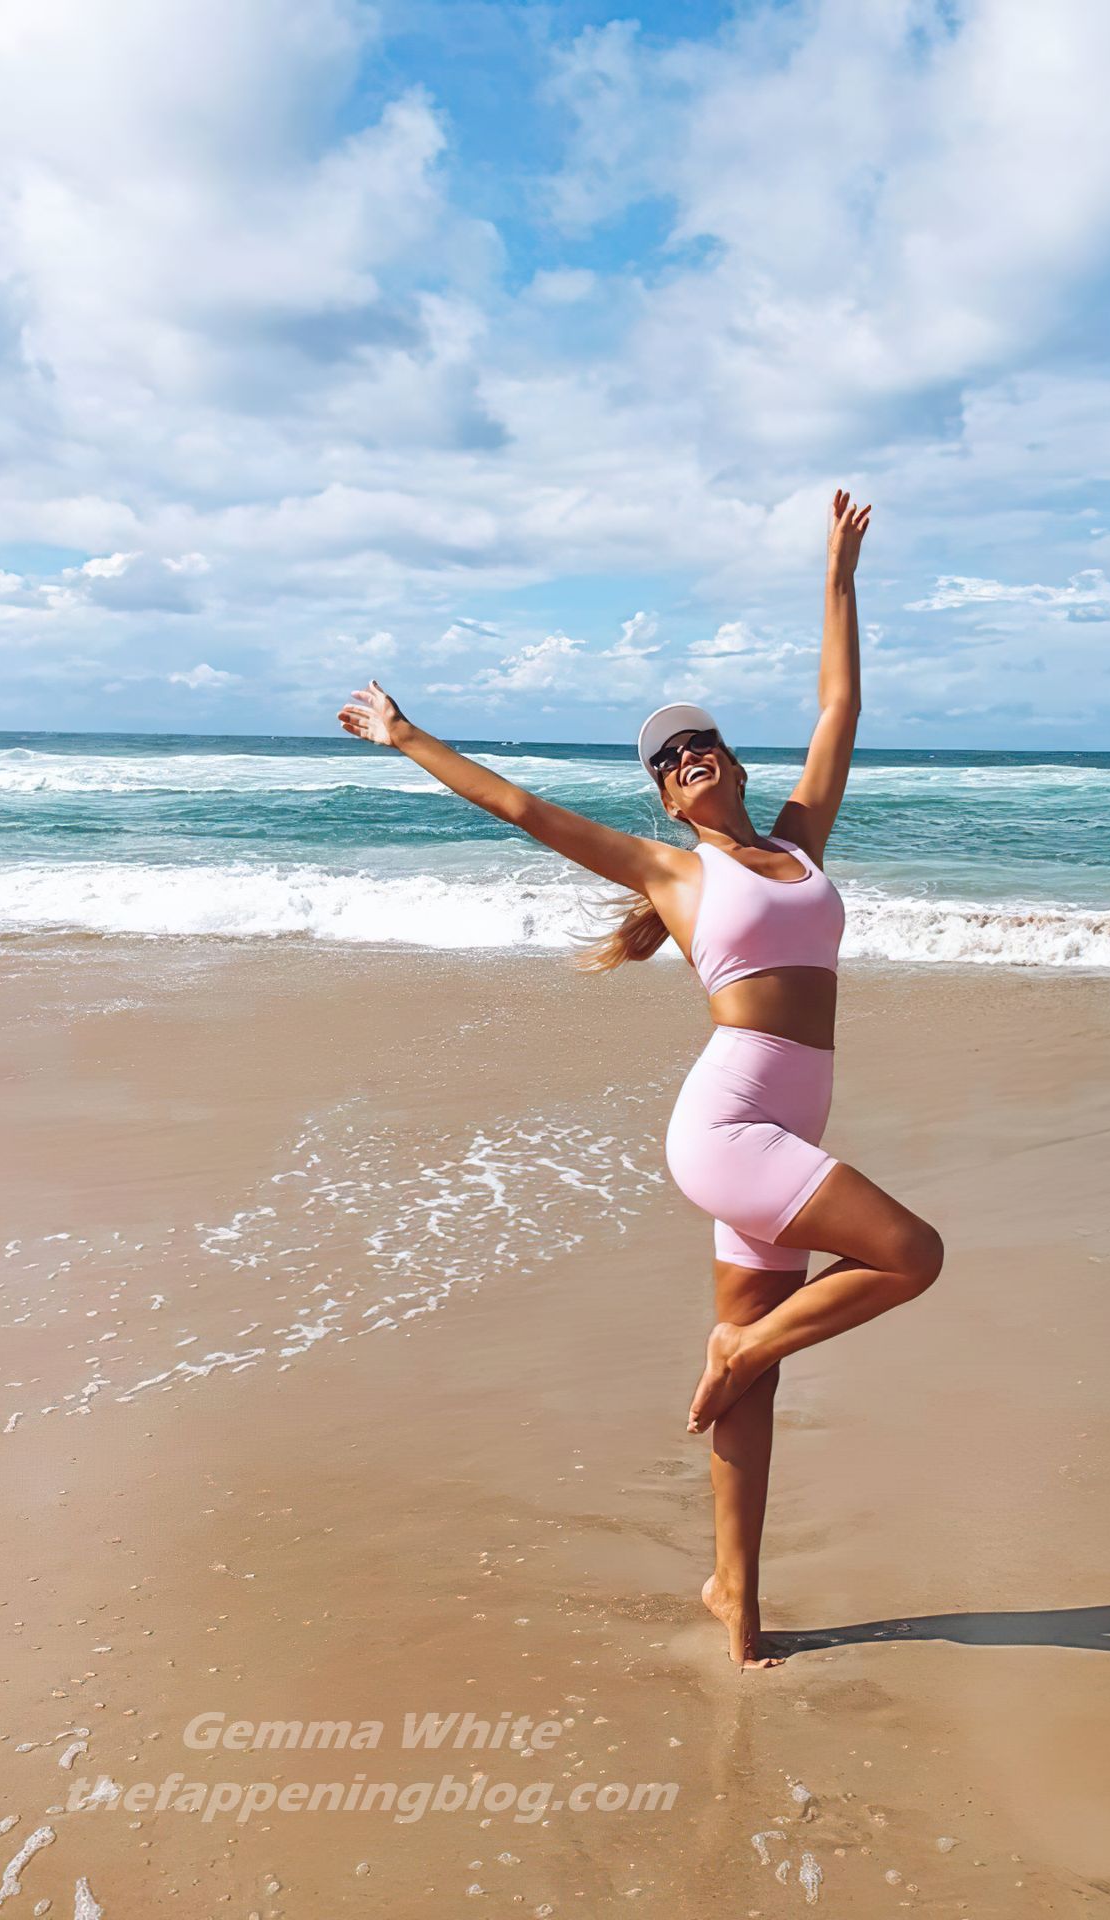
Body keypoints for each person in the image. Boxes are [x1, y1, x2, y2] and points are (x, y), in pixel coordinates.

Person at [337, 490, 943, 1667]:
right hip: (731, 1129)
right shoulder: (670, 871)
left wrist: (838, 578)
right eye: (667, 759)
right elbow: (521, 808)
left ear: (728, 759)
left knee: (762, 1385)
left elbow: (840, 703)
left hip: (777, 1126)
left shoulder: (801, 840)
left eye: (698, 740)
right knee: (908, 1256)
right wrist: (407, 737)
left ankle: (737, 1597)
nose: (686, 755)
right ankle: (741, 1352)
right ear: (664, 797)